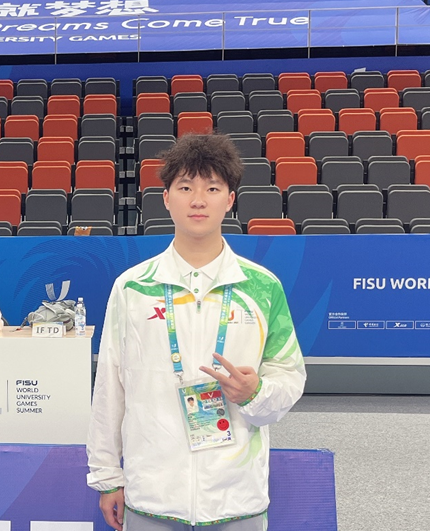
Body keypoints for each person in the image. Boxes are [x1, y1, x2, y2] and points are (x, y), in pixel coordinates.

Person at [87, 133, 307, 531]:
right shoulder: (132, 288)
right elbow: (110, 386)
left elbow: (289, 376)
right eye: (186, 187)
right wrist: (107, 476)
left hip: (236, 496)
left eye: (212, 188)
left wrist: (256, 392)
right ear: (166, 198)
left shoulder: (262, 287)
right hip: (153, 495)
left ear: (230, 199)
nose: (198, 200)